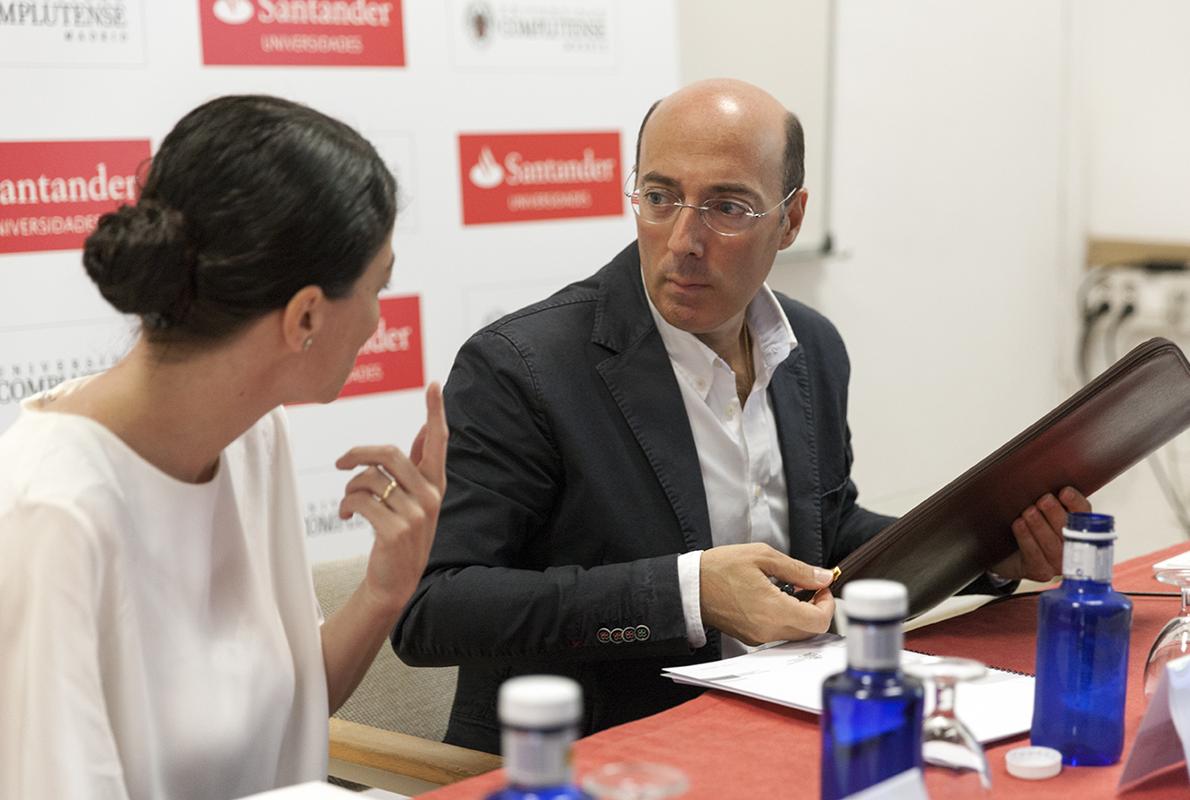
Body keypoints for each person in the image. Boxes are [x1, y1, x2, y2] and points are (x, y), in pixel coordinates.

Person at [392, 78, 1087, 754]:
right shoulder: (523, 366)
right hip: (596, 759)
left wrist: (984, 551)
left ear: (790, 218)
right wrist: (688, 594)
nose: (683, 239)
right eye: (660, 197)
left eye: (727, 207)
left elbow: (823, 533)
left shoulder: (810, 347)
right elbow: (437, 609)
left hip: (783, 733)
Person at [0, 95, 447, 799]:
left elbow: (284, 714)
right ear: (304, 315)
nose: (378, 319)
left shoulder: (253, 436)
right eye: (376, 287)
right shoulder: (53, 511)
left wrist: (386, 590)